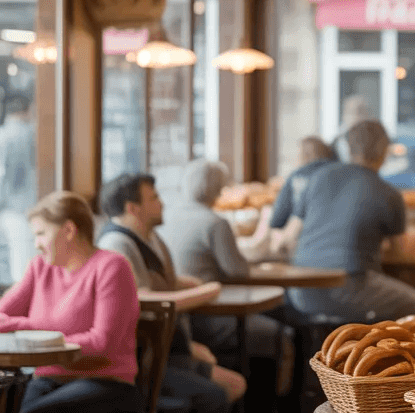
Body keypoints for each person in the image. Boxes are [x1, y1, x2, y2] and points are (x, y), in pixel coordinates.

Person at [96, 173, 246, 412]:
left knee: (236, 384)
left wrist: (193, 285)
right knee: (219, 393)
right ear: (133, 208)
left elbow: (165, 281)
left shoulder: (150, 237)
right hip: (143, 359)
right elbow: (142, 301)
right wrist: (209, 290)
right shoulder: (116, 244)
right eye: (154, 198)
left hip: (168, 349)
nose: (162, 203)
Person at [0, 191, 141, 413]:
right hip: (47, 379)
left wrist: (26, 327)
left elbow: (102, 342)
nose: (36, 244)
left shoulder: (112, 267)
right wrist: (34, 331)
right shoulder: (40, 267)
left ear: (68, 230)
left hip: (105, 382)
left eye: (41, 233)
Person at [161, 160, 294, 394]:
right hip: (212, 316)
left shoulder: (167, 219)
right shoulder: (214, 223)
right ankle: (278, 401)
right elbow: (238, 270)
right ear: (219, 189)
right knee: (281, 332)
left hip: (181, 320)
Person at [283, 120, 415, 322]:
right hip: (348, 287)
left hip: (301, 290)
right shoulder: (388, 193)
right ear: (384, 151)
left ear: (348, 148)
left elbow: (289, 236)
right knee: (414, 302)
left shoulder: (318, 176)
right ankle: (372, 350)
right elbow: (400, 252)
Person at [266, 136, 338, 258]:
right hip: (336, 244)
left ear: (304, 155)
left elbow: (277, 219)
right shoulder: (341, 175)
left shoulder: (297, 177)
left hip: (303, 246)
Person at [0, 92, 36, 285]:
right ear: (27, 110)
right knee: (22, 269)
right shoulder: (32, 134)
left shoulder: (4, 135)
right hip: (24, 208)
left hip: (8, 207)